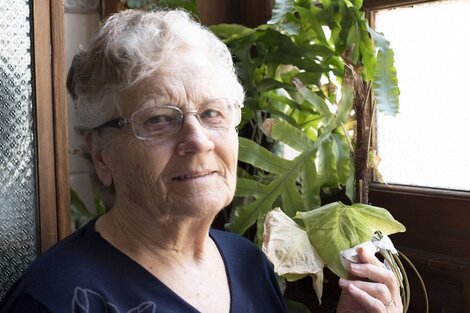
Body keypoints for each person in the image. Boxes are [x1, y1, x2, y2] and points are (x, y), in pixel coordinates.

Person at [0, 9, 402, 313]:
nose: (197, 140)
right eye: (158, 120)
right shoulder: (55, 299)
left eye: (212, 113)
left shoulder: (246, 263)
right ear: (100, 153)